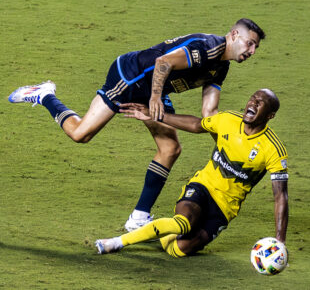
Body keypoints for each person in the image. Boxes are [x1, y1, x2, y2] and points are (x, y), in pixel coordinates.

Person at [8, 18, 265, 231]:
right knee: (80, 135)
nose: (252, 52)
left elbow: (208, 117)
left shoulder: (220, 67)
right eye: (250, 44)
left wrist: (228, 147)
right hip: (129, 76)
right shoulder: (206, 48)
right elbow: (162, 63)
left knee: (170, 148)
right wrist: (154, 99)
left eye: (255, 48)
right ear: (233, 35)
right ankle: (44, 95)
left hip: (155, 87)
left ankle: (139, 218)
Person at [95, 89, 288, 257]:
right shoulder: (228, 119)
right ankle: (116, 242)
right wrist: (156, 116)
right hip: (203, 186)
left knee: (181, 248)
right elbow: (197, 125)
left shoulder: (273, 149)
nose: (252, 103)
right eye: (252, 98)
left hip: (225, 206)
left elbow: (281, 197)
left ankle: (156, 234)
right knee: (183, 223)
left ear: (270, 115)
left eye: (260, 103)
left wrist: (279, 242)